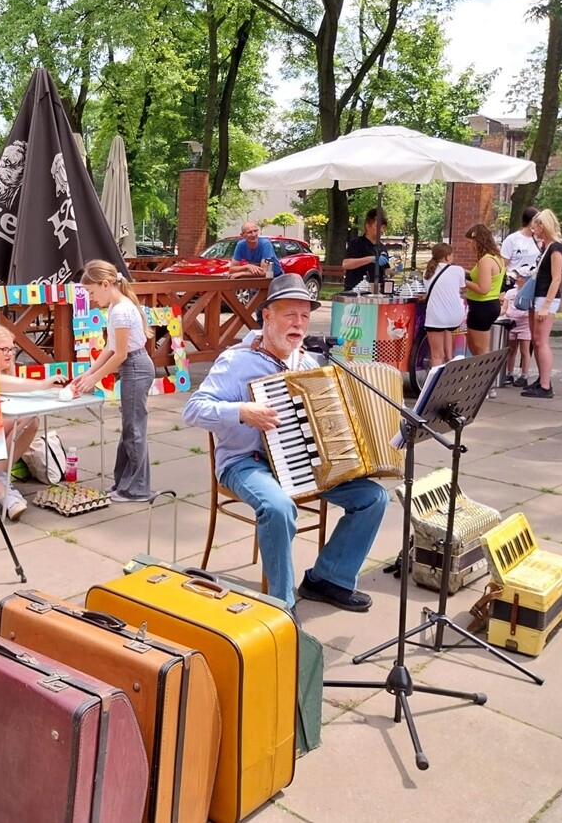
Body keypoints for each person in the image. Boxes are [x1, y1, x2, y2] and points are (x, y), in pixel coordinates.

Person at [183, 273, 389, 611]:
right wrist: (242, 411)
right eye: (290, 314)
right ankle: (281, 604)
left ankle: (328, 579)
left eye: (305, 316)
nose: (299, 323)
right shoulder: (236, 361)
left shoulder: (307, 362)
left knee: (373, 498)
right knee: (279, 507)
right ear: (267, 316)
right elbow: (194, 410)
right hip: (245, 462)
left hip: (303, 462)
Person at [71, 260, 155, 502]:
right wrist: (88, 373)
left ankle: (137, 488)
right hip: (134, 367)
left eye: (92, 292)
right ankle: (123, 483)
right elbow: (110, 348)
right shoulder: (117, 308)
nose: (91, 298)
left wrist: (96, 378)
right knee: (130, 428)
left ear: (105, 284)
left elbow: (121, 354)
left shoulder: (120, 310)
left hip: (136, 368)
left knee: (135, 429)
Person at [0, 325, 67, 503]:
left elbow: (18, 391)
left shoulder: (7, 369)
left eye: (12, 349)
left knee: (32, 419)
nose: (9, 353)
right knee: (26, 418)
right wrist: (40, 385)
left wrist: (49, 390)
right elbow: (1, 383)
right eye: (4, 349)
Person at [520, 210, 562, 399]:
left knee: (541, 341)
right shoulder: (546, 247)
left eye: (535, 226)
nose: (533, 230)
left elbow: (556, 279)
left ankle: (545, 384)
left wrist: (546, 306)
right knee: (537, 341)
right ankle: (542, 380)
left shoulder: (556, 248)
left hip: (545, 298)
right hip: (539, 296)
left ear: (543, 226)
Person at [463, 223, 506, 366]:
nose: (469, 246)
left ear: (478, 241)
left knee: (480, 350)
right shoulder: (495, 258)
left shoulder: (485, 261)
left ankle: (486, 384)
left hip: (482, 306)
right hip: (486, 305)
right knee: (476, 348)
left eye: (470, 243)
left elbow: (483, 288)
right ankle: (481, 381)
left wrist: (463, 282)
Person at [422, 242, 466, 365]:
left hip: (436, 317)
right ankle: (449, 360)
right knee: (447, 328)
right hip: (455, 316)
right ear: (447, 256)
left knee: (437, 355)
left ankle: (437, 382)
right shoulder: (458, 270)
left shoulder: (427, 273)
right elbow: (461, 288)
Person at [500, 265, 534, 387]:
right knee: (511, 350)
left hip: (525, 326)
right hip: (511, 324)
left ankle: (524, 375)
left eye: (520, 277)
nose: (517, 279)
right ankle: (509, 373)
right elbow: (504, 308)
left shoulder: (530, 294)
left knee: (525, 351)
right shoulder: (510, 292)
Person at [341, 208, 390, 290]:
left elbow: (386, 270)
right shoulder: (357, 243)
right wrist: (371, 259)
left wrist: (395, 270)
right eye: (378, 226)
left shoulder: (382, 247)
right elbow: (346, 264)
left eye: (383, 227)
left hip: (376, 291)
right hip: (356, 291)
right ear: (367, 226)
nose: (381, 230)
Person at [500, 206, 541, 281]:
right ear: (532, 221)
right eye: (538, 221)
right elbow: (503, 264)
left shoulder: (538, 240)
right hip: (515, 282)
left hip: (532, 281)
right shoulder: (512, 239)